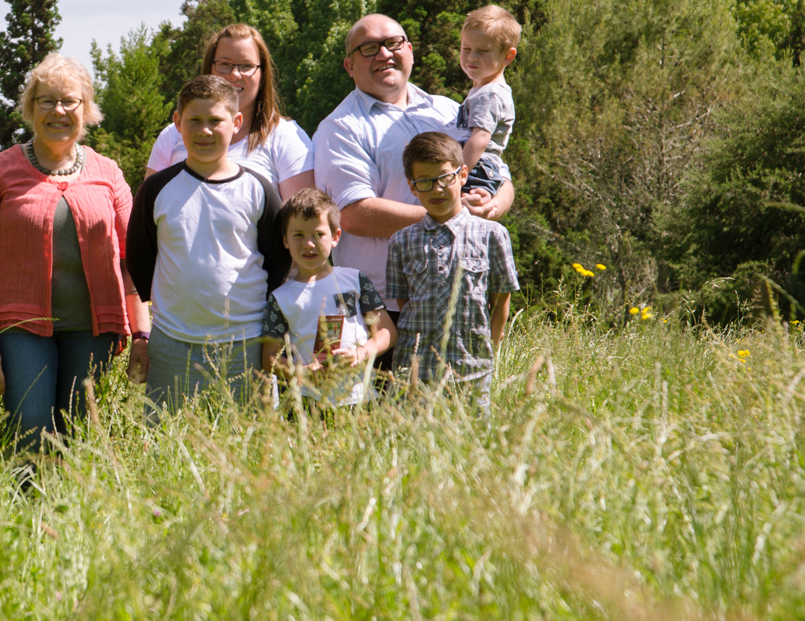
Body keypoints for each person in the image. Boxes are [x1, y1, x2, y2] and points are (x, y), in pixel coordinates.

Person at [0, 53, 147, 457]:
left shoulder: (109, 173)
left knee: (77, 435)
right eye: (46, 101)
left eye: (69, 101)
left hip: (93, 330)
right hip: (19, 329)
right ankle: (23, 499)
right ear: (31, 108)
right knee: (30, 430)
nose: (58, 111)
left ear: (86, 108)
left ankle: (70, 500)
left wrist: (142, 334)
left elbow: (131, 262)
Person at [311, 13, 515, 303]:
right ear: (349, 66)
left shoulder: (449, 109)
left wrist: (491, 206)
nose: (384, 54)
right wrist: (453, 215)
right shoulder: (340, 128)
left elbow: (500, 174)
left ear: (409, 51)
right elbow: (354, 214)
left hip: (463, 297)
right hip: (387, 305)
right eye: (369, 48)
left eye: (393, 43)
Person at [124, 74, 289, 413]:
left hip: (246, 343)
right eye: (194, 120)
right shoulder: (156, 189)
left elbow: (278, 263)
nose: (205, 130)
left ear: (236, 122)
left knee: (248, 439)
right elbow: (140, 258)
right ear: (177, 122)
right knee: (166, 439)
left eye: (215, 120)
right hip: (172, 343)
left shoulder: (259, 190)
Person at [383, 131, 520, 408]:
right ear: (412, 187)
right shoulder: (401, 241)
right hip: (413, 372)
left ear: (463, 174)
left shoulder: (493, 235)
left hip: (471, 370)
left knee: (471, 434)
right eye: (424, 182)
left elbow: (501, 301)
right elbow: (404, 303)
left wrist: (489, 350)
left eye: (445, 178)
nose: (436, 189)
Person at [142, 22, 316, 197]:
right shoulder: (172, 136)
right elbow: (150, 204)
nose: (234, 74)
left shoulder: (287, 137)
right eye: (224, 64)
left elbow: (301, 213)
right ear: (209, 68)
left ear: (262, 74)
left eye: (246, 66)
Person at [259, 187, 394, 411]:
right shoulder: (280, 297)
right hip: (308, 402)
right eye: (298, 235)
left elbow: (386, 331)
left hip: (360, 398)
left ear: (335, 237)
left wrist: (361, 353)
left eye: (318, 234)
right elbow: (269, 357)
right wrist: (301, 373)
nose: (309, 244)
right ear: (285, 240)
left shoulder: (355, 280)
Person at [455, 5, 521, 199]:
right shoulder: (483, 91)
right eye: (466, 49)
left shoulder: (490, 94)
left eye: (483, 51)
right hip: (476, 168)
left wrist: (455, 176)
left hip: (476, 169)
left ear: (507, 56)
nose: (472, 56)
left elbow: (480, 139)